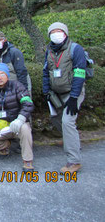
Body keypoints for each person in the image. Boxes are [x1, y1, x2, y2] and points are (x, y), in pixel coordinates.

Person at [43, 22, 87, 173]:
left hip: (72, 92)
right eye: (53, 32)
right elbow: (45, 72)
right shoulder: (49, 51)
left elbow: (80, 73)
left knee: (67, 122)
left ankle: (74, 161)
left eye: (59, 31)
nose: (56, 34)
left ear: (65, 33)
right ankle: (72, 141)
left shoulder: (76, 49)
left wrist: (74, 97)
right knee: (56, 119)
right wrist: (46, 92)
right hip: (56, 93)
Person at [0, 63, 35, 172]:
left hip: (16, 123)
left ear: (7, 76)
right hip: (0, 124)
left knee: (25, 129)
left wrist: (20, 119)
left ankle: (27, 160)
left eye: (2, 74)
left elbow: (28, 103)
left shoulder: (17, 86)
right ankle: (5, 146)